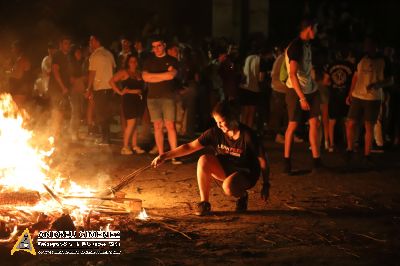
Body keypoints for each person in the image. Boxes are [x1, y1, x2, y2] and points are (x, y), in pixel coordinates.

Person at [151, 100, 270, 216]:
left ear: (232, 118)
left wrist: (265, 184)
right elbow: (189, 146)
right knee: (204, 159)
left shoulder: (247, 135)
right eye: (216, 122)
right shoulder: (215, 132)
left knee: (228, 187)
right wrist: (165, 155)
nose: (219, 125)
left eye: (222, 122)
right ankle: (204, 203)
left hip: (245, 173)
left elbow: (262, 159)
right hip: (226, 168)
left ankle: (242, 195)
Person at [283, 18, 321, 174]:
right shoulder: (296, 46)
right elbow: (292, 74)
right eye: (316, 28)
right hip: (296, 91)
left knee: (315, 123)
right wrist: (302, 98)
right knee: (293, 126)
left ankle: (316, 161)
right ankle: (286, 161)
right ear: (309, 28)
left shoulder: (307, 45)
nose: (317, 32)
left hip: (310, 89)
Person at [345, 36, 393, 161]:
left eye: (368, 44)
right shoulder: (361, 57)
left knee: (369, 126)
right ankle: (349, 149)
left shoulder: (384, 60)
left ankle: (367, 154)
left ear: (375, 45)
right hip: (357, 95)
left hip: (373, 98)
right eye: (365, 44)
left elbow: (390, 80)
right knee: (350, 122)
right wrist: (350, 93)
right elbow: (355, 76)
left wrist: (378, 85)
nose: (366, 46)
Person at [142, 35, 182, 164]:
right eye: (154, 47)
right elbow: (145, 78)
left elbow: (171, 76)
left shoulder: (172, 60)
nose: (156, 49)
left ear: (164, 45)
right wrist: (163, 75)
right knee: (157, 126)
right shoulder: (148, 60)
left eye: (158, 46)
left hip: (168, 97)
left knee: (170, 125)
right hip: (152, 98)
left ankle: (174, 155)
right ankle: (161, 155)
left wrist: (153, 76)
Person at [109, 54, 146, 155]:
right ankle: (125, 147)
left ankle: (134, 146)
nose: (133, 63)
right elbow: (111, 81)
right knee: (131, 123)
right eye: (131, 61)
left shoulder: (138, 73)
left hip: (138, 100)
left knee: (135, 124)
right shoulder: (124, 72)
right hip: (128, 100)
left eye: (135, 61)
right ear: (128, 62)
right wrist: (120, 92)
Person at [86, 34, 116, 144]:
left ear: (97, 42)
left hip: (100, 88)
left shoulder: (94, 56)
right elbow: (113, 69)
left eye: (91, 41)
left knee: (101, 114)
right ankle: (106, 137)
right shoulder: (109, 54)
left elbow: (92, 73)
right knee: (106, 113)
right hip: (109, 88)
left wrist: (88, 88)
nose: (90, 43)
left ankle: (105, 139)